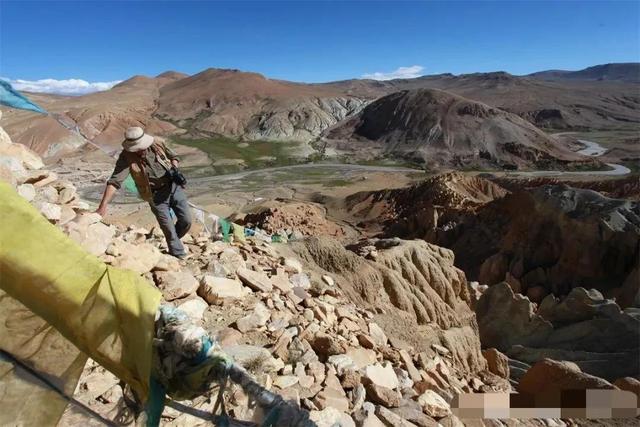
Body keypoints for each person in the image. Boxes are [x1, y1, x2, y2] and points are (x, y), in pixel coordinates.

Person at [96, 127, 192, 259]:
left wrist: (174, 169)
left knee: (186, 220)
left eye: (141, 147)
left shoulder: (157, 143)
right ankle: (178, 254)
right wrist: (103, 205)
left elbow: (174, 156)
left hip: (173, 187)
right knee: (168, 228)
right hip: (155, 196)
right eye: (136, 149)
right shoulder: (126, 157)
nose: (140, 150)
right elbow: (114, 182)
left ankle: (173, 240)